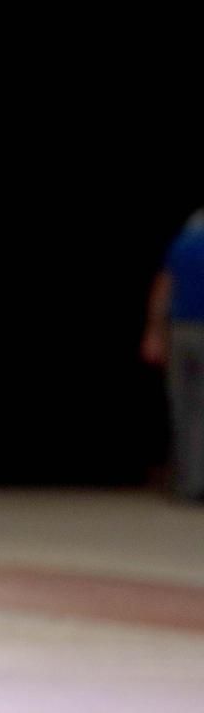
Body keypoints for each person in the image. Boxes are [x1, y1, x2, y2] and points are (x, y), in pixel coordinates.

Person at [143, 208, 204, 501]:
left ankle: (188, 482)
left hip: (181, 331)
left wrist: (154, 331)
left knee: (184, 409)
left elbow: (163, 287)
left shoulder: (182, 244)